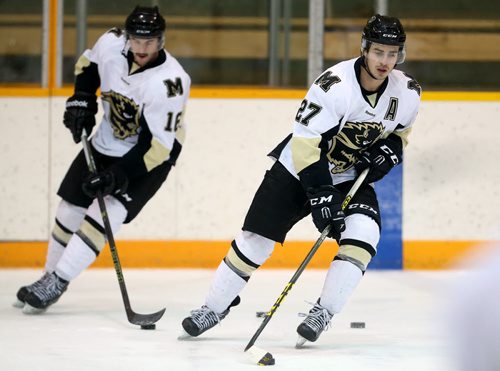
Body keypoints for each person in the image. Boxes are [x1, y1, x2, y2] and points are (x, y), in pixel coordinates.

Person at [181, 14, 421, 347]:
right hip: (299, 169)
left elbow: (400, 133)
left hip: (349, 176)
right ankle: (213, 307)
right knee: (255, 239)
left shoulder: (406, 92)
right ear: (365, 49)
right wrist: (322, 194)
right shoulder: (334, 86)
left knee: (364, 234)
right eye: (379, 52)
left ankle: (323, 312)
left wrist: (390, 151)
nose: (385, 61)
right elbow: (306, 143)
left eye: (392, 53)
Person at [14, 6, 191, 314]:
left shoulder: (170, 83)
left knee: (102, 216)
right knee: (69, 206)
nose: (142, 48)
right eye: (137, 40)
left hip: (149, 158)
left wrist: (117, 175)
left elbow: (156, 147)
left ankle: (58, 280)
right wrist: (81, 101)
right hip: (105, 141)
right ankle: (47, 277)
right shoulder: (111, 42)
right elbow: (87, 66)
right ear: (127, 38)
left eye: (149, 42)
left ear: (161, 41)